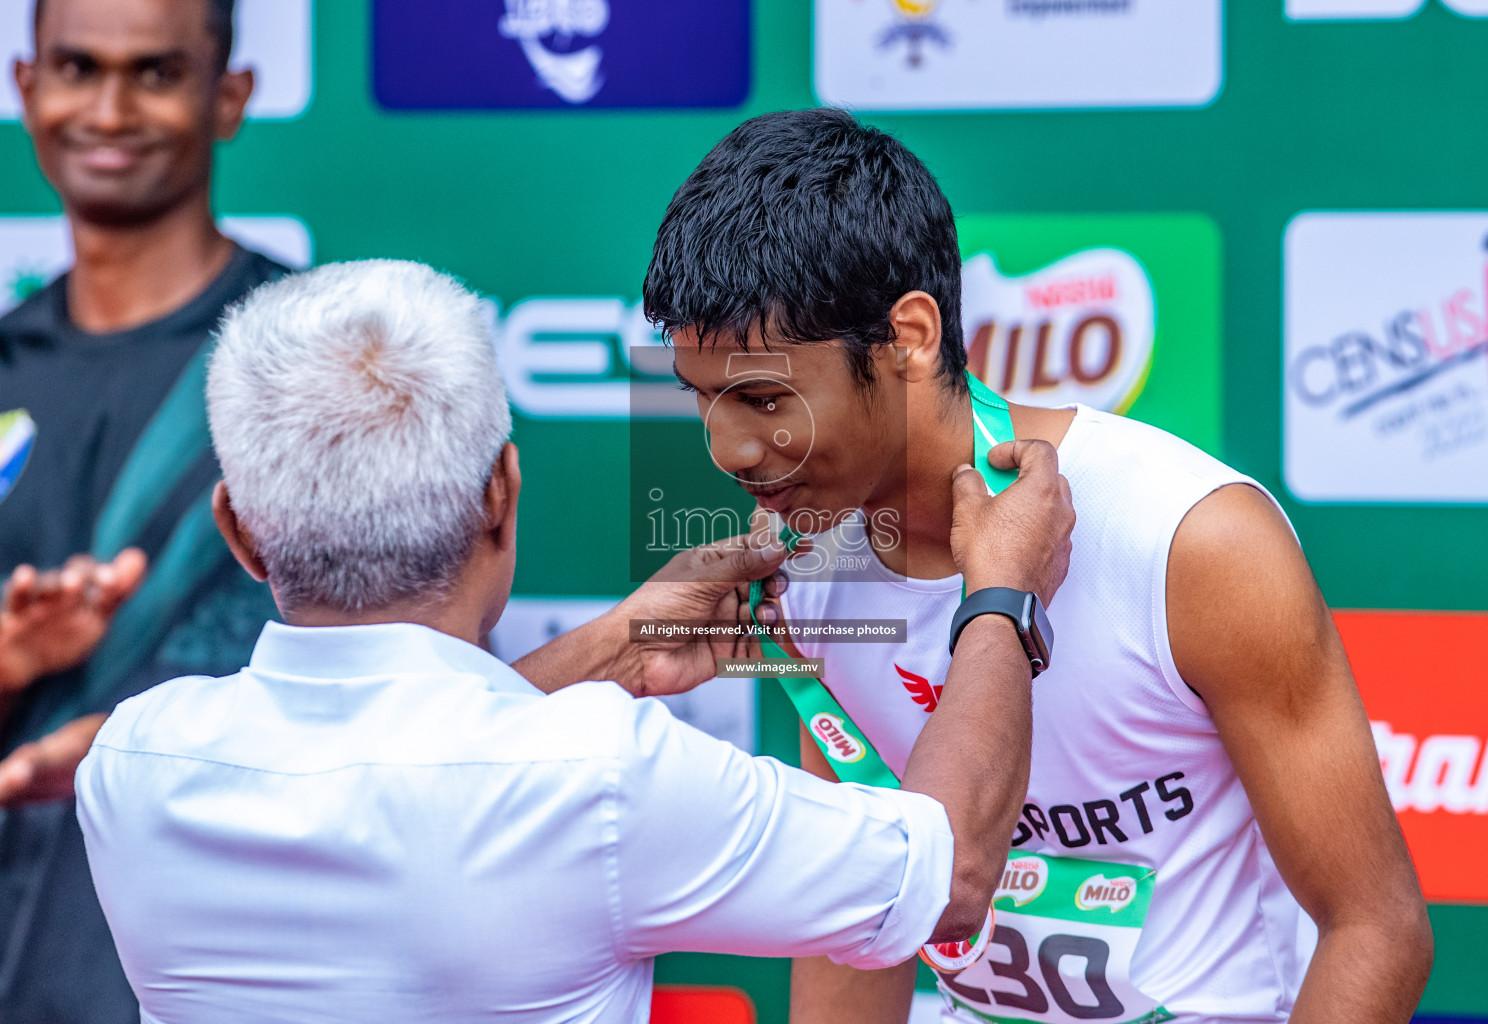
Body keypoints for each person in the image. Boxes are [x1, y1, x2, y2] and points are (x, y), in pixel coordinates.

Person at [74, 259, 1077, 1023]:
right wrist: (1000, 595)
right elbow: (949, 877)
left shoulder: (133, 764)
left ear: (239, 532)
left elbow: (387, 768)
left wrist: (615, 648)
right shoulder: (599, 776)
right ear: (503, 493)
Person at [641, 109, 1434, 1024]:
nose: (729, 450)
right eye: (702, 401)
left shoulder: (1190, 540)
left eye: (765, 398)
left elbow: (1376, 928)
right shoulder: (808, 565)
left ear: (909, 337)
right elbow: (869, 917)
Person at [0, 0, 283, 1016]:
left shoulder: (308, 361)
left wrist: (150, 738)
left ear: (230, 97)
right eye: (77, 67)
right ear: (28, 88)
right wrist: (11, 660)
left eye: (156, 73)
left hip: (224, 963)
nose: (109, 109)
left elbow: (405, 677)